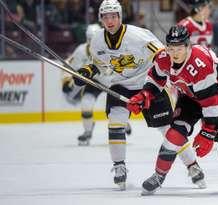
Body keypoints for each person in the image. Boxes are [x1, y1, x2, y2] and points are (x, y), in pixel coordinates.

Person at [73, 0, 206, 191]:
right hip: (121, 84)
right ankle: (119, 166)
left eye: (113, 16)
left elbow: (163, 55)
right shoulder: (97, 39)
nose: (110, 21)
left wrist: (163, 83)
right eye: (106, 17)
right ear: (101, 18)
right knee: (115, 122)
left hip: (149, 83)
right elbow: (99, 63)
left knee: (169, 130)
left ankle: (192, 166)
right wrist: (87, 71)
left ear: (120, 16)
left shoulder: (138, 36)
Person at [127, 25, 218, 195]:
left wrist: (207, 133)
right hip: (190, 100)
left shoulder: (200, 63)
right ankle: (158, 175)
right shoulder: (164, 57)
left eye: (179, 48)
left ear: (188, 46)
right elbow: (156, 78)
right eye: (171, 47)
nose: (174, 52)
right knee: (173, 134)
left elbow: (212, 102)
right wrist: (144, 95)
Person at [62, 23, 132, 146]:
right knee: (86, 104)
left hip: (113, 81)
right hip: (95, 81)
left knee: (118, 109)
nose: (93, 43)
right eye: (90, 39)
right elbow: (68, 67)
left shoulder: (112, 48)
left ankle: (123, 123)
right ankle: (87, 131)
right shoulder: (81, 51)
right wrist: (67, 80)